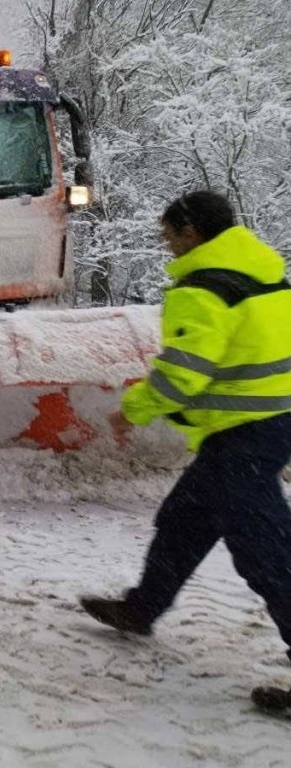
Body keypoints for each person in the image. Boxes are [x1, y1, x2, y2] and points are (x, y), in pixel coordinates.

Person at [79, 190, 291, 710]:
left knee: (266, 552)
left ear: (191, 232)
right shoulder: (264, 272)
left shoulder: (202, 289)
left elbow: (184, 376)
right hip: (272, 421)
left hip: (242, 432)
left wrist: (133, 409)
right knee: (184, 519)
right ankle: (143, 608)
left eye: (169, 234)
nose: (165, 244)